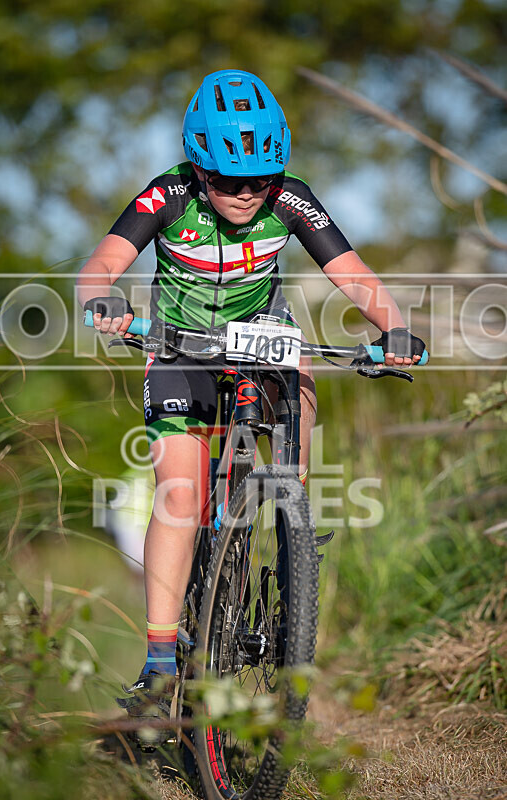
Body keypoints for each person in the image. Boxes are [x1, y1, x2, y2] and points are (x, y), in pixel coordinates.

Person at [77, 69, 426, 736]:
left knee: (298, 373)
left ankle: (289, 525)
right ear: (198, 168)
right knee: (179, 492)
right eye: (227, 180)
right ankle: (158, 661)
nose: (244, 194)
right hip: (177, 346)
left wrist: (393, 327)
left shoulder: (291, 201)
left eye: (258, 181)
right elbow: (103, 261)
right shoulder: (168, 195)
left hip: (258, 338)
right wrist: (104, 299)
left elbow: (350, 273)